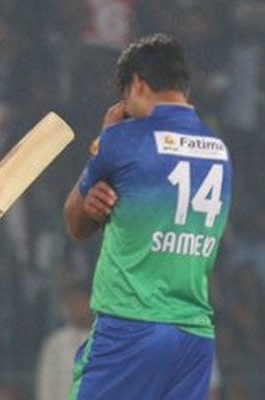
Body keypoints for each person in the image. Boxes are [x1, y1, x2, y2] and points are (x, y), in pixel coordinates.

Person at [63, 33, 233, 399]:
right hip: (194, 335)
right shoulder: (218, 150)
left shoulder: (123, 139)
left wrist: (103, 139)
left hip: (130, 326)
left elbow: (75, 223)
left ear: (137, 84)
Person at [35, 281, 93, 400]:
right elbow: (46, 385)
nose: (74, 308)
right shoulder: (56, 342)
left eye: (79, 302)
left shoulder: (104, 339)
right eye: (70, 303)